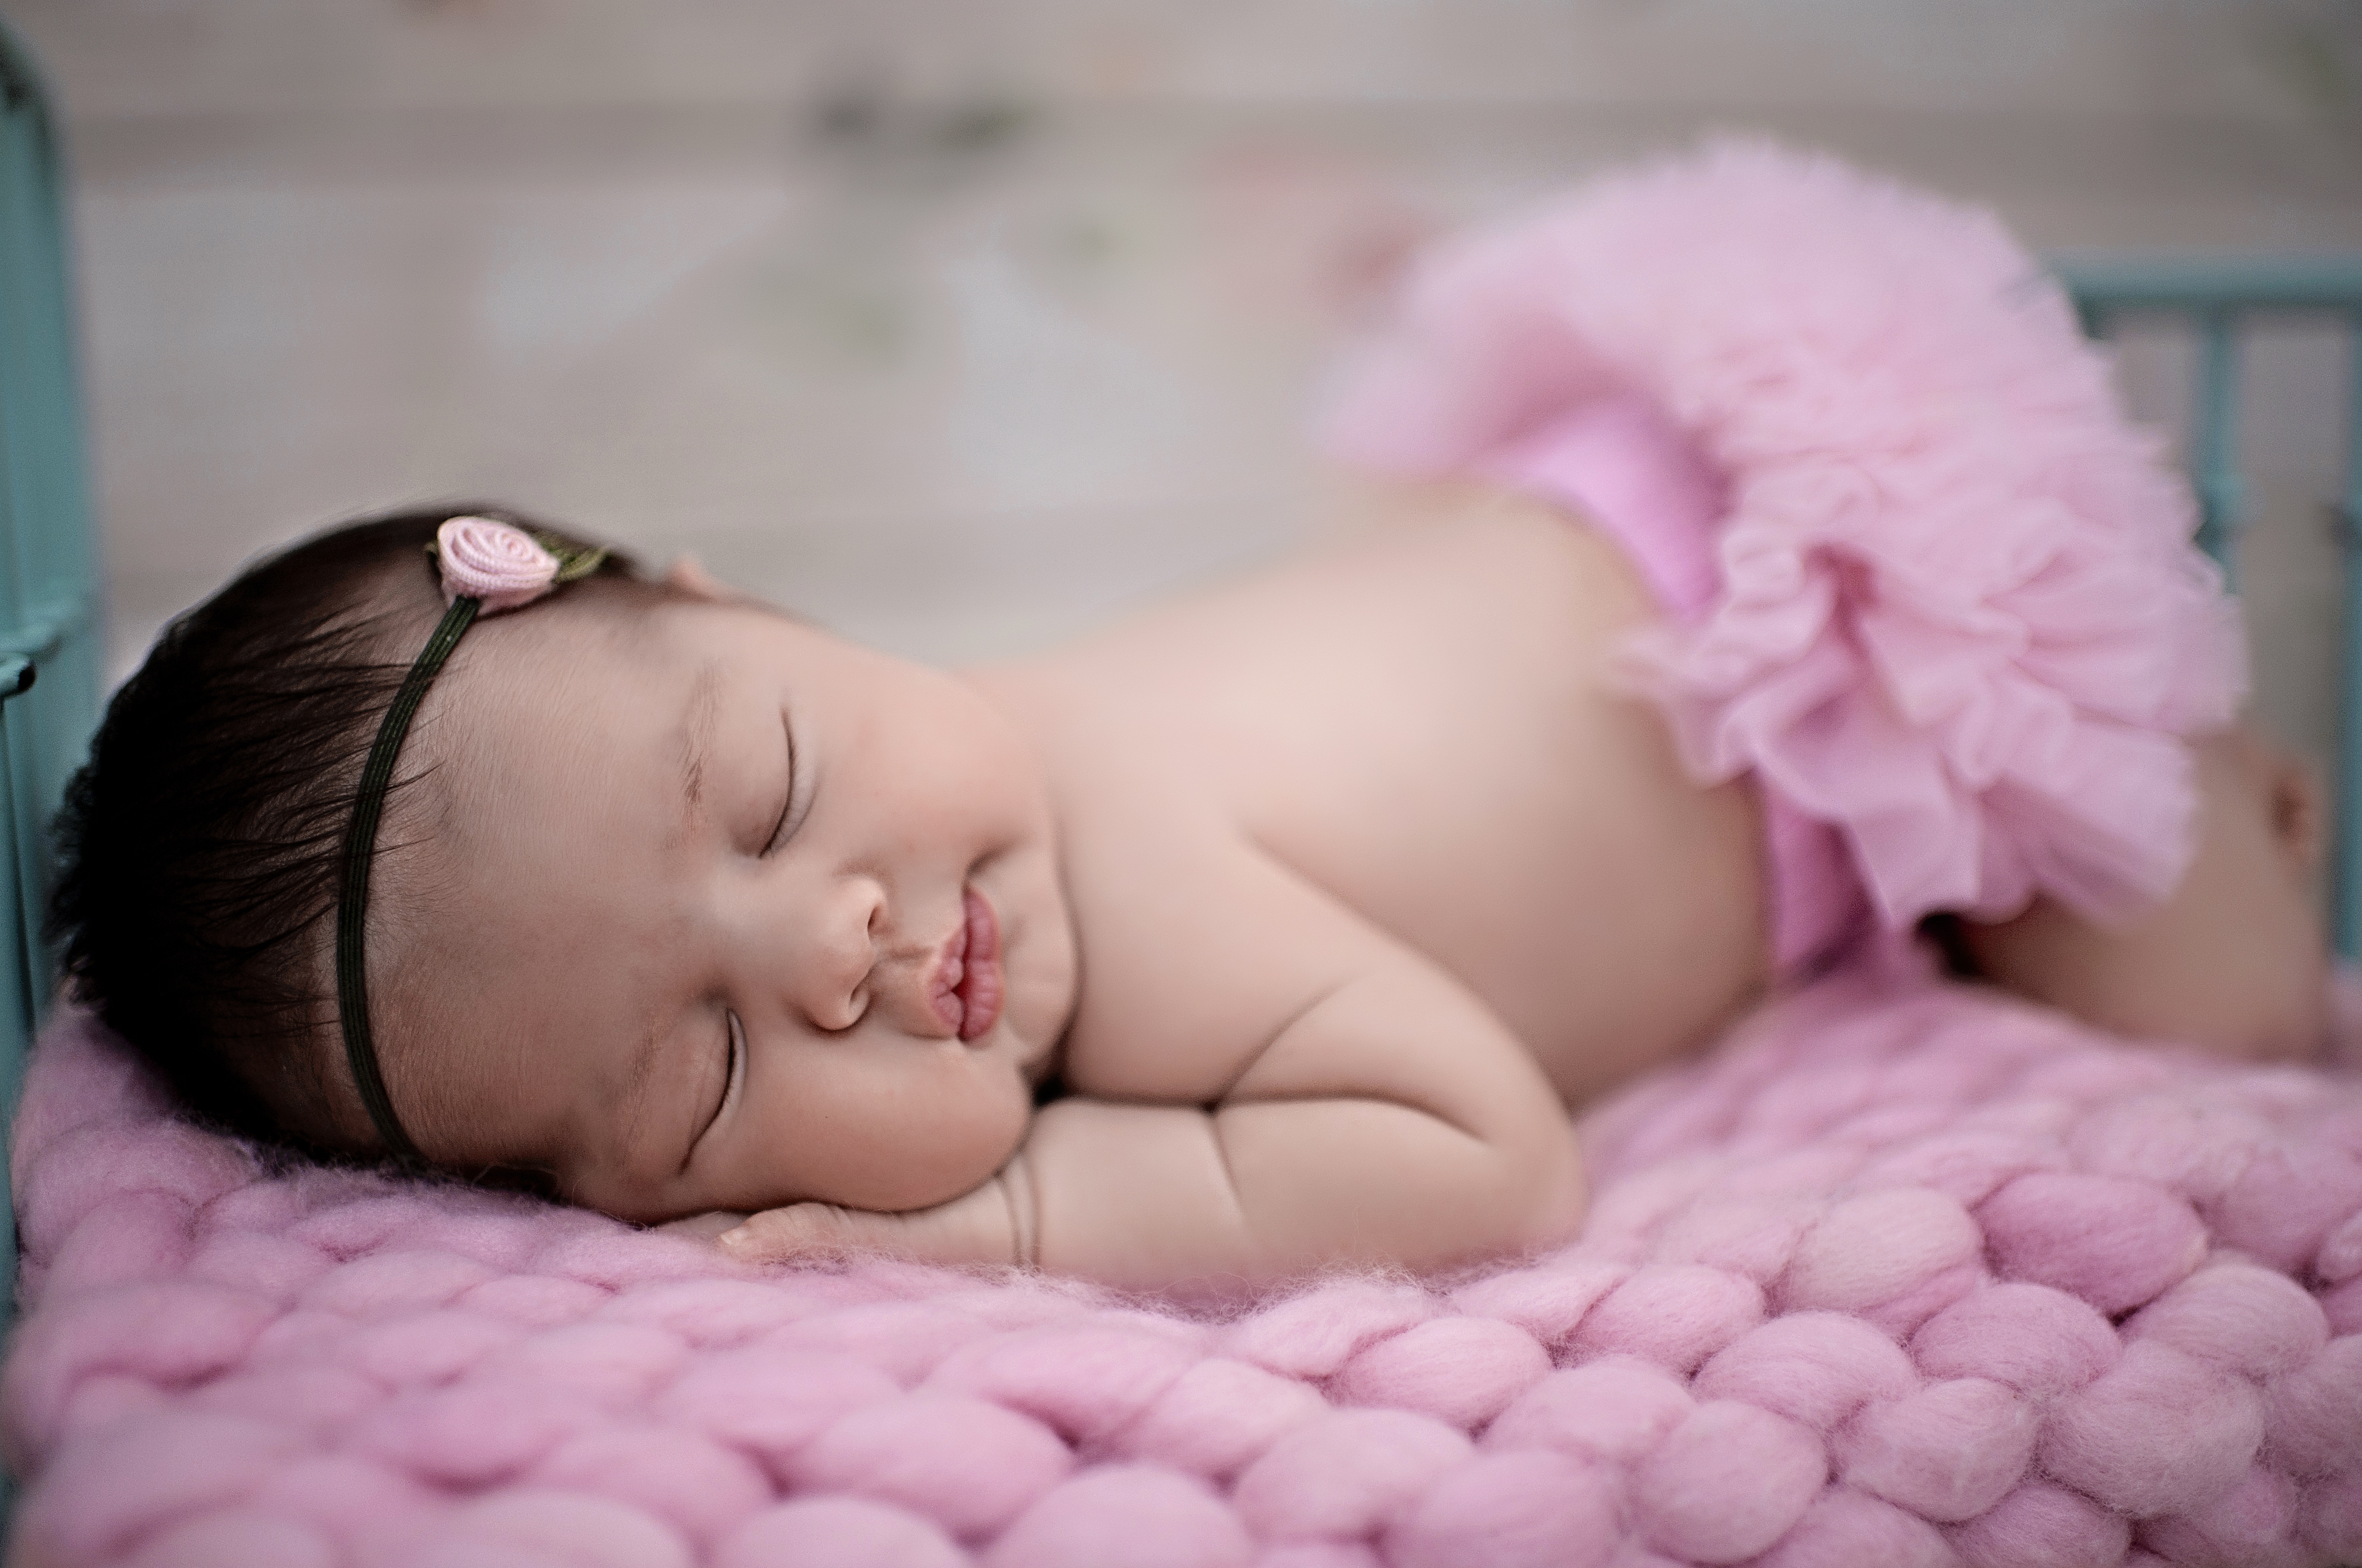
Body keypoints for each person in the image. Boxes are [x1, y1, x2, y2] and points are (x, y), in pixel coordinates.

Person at [46, 147, 2333, 1294]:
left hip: (1823, 603)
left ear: (752, 601)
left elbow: (1484, 1160)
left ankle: (2222, 781)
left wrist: (1018, 1214)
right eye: (717, 1067)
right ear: (631, 1206)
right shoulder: (949, 850)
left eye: (763, 789)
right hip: (1737, 740)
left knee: (2226, 1017)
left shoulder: (1115, 859)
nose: (828, 945)